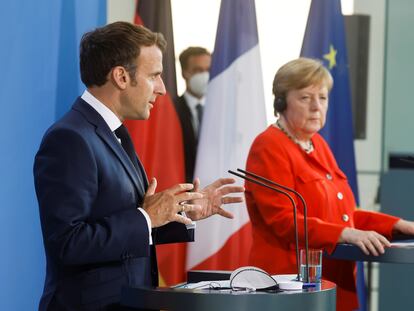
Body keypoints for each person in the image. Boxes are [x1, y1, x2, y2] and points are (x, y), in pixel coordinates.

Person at [33, 22, 243, 311]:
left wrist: (181, 211)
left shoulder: (115, 132)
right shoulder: (69, 138)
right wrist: (147, 217)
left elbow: (128, 221)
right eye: (155, 75)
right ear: (121, 76)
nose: (162, 89)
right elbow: (68, 243)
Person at [244, 57, 414, 311]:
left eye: (322, 98)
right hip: (290, 287)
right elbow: (283, 220)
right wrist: (344, 234)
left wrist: (398, 225)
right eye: (305, 98)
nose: (316, 107)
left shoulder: (318, 144)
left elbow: (342, 217)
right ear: (281, 101)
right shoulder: (269, 145)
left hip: (333, 283)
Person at [174, 46, 211, 182]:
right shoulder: (172, 110)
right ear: (185, 73)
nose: (205, 75)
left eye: (208, 70)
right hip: (183, 186)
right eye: (198, 70)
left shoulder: (221, 112)